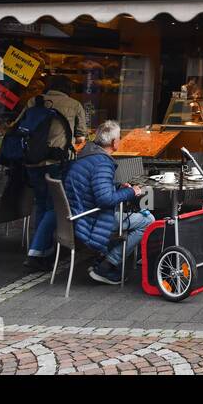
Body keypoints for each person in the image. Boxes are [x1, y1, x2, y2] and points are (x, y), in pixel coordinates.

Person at [61, 120, 152, 285]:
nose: (120, 140)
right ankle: (106, 264)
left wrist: (117, 186)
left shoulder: (87, 154)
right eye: (119, 138)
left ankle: (104, 258)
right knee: (148, 221)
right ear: (113, 142)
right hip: (91, 220)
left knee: (135, 217)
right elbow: (105, 200)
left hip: (79, 215)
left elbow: (94, 186)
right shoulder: (102, 163)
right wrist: (131, 191)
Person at [18, 74, 88, 271]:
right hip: (58, 161)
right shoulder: (74, 105)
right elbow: (82, 136)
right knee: (54, 206)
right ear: (68, 89)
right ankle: (36, 251)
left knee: (41, 203)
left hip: (32, 161)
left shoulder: (34, 101)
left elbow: (19, 126)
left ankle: (44, 249)